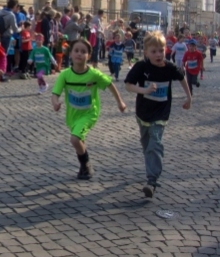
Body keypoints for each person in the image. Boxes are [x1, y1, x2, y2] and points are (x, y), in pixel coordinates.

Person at [124, 31, 192, 198]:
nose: (158, 55)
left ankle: (152, 180)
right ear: (146, 53)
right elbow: (128, 85)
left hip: (161, 113)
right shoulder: (141, 66)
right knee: (147, 144)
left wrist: (189, 97)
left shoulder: (169, 67)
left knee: (155, 143)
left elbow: (181, 77)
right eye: (154, 51)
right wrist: (144, 90)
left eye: (161, 50)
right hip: (143, 113)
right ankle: (151, 167)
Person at [52, 38, 126, 179]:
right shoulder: (65, 75)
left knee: (74, 139)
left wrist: (120, 102)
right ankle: (83, 167)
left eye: (83, 51)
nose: (79, 54)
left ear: (89, 55)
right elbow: (55, 93)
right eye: (76, 51)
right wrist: (55, 103)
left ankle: (86, 164)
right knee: (80, 141)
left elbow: (110, 84)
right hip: (73, 115)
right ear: (70, 54)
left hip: (89, 113)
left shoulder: (93, 74)